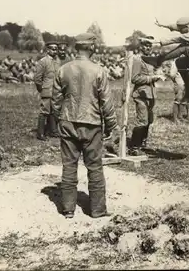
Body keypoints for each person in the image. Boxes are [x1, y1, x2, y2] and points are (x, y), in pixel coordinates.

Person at [51, 32, 118, 219]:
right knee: (95, 166)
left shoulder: (63, 69)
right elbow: (106, 102)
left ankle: (68, 209)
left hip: (67, 120)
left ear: (76, 48)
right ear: (91, 48)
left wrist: (59, 118)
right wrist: (111, 124)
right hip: (92, 123)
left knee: (69, 165)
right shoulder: (98, 71)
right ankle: (97, 210)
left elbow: (56, 101)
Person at [129, 36, 165, 155]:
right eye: (146, 45)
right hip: (141, 94)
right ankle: (134, 148)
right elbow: (134, 78)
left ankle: (142, 144)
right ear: (140, 46)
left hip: (150, 94)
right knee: (142, 121)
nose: (148, 48)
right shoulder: (137, 59)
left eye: (150, 46)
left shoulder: (148, 59)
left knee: (149, 120)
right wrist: (153, 78)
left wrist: (158, 74)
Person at [34, 41, 61, 140]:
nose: (55, 51)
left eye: (56, 49)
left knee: (54, 112)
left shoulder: (57, 62)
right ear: (48, 50)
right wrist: (42, 89)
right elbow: (37, 78)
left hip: (56, 91)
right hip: (47, 90)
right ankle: (40, 134)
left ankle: (53, 131)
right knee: (44, 112)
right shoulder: (43, 62)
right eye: (53, 49)